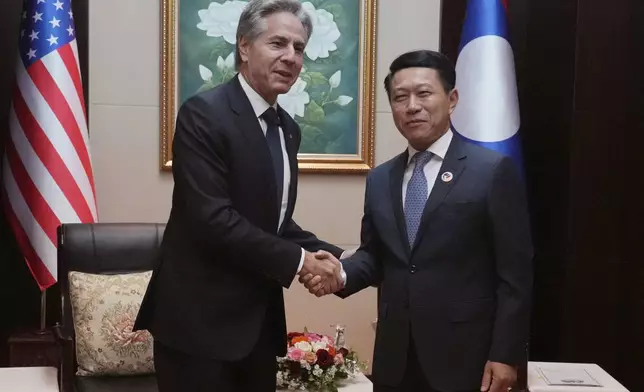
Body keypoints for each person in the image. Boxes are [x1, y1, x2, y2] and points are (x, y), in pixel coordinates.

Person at [133, 1, 345, 391]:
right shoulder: (204, 113)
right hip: (198, 328)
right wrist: (302, 263)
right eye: (278, 43)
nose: (291, 57)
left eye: (299, 48)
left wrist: (340, 261)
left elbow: (274, 222)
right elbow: (213, 219)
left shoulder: (286, 129)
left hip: (257, 329)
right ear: (244, 46)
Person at [302, 50, 534, 392]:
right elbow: (375, 255)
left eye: (424, 93)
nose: (412, 106)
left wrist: (505, 354)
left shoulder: (492, 171)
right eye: (400, 97)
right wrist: (340, 274)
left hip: (468, 359)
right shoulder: (381, 179)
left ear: (451, 99)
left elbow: (515, 274)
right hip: (396, 359)